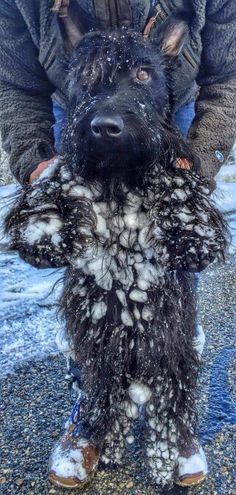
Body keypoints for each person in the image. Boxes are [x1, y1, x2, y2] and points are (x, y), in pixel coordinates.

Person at [0, 0, 235, 490]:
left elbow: (229, 74)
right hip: (79, 106)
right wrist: (37, 161)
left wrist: (200, 156)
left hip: (169, 108)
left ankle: (172, 415)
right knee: (91, 275)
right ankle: (95, 411)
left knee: (173, 264)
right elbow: (16, 84)